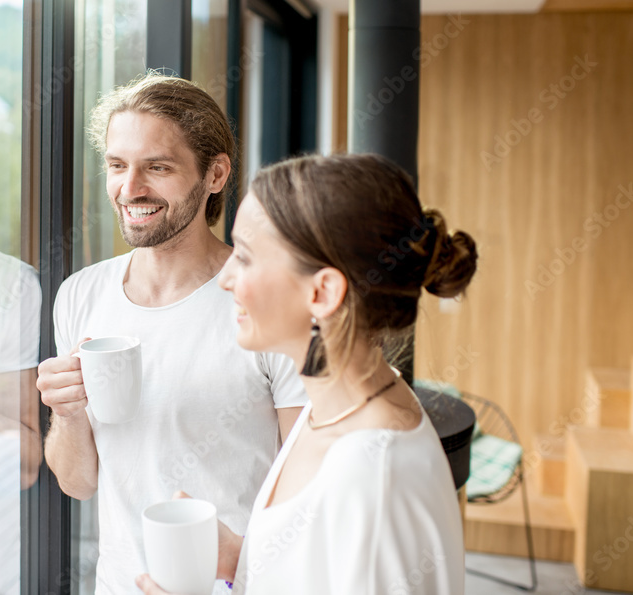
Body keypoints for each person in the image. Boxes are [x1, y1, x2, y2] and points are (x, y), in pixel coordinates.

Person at [136, 153, 476, 594]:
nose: (225, 278)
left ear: (323, 292)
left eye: (246, 257)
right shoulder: (336, 406)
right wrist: (240, 560)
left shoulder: (373, 474)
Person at [36, 73, 308, 594]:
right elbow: (79, 482)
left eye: (157, 167)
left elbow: (306, 492)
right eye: (117, 165)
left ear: (215, 174)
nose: (130, 189)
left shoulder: (262, 302)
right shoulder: (79, 295)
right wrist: (66, 413)